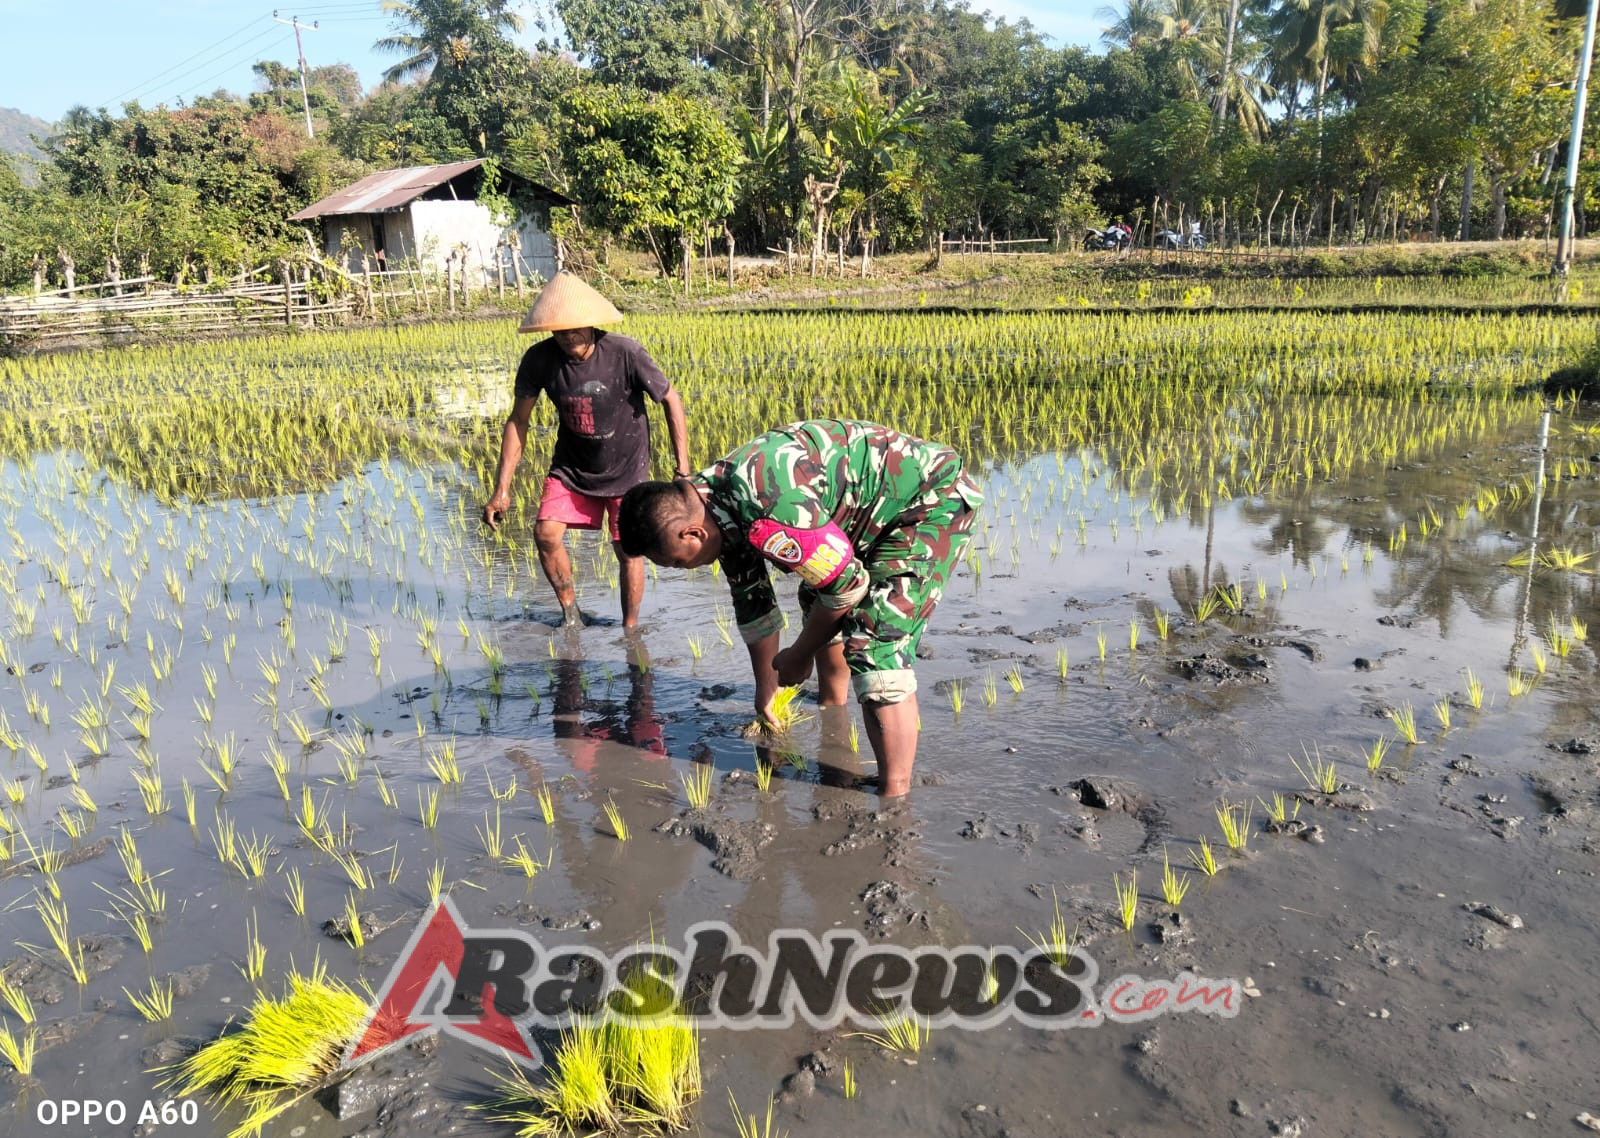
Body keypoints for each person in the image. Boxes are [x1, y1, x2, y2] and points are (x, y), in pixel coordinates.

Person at [618, 419, 983, 798]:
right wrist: (767, 689)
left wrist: (799, 655)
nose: (685, 569)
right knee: (816, 601)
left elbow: (848, 586)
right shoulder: (709, 505)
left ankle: (894, 800)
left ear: (691, 534)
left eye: (677, 562)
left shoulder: (767, 509)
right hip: (863, 517)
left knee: (876, 640)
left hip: (927, 500)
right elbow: (752, 600)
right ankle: (833, 711)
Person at [483, 271, 690, 628]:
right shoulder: (539, 360)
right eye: (559, 330)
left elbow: (670, 399)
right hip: (572, 467)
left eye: (575, 328)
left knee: (627, 548)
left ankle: (630, 629)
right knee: (545, 533)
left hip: (627, 467)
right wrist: (502, 489)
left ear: (592, 325)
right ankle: (571, 615)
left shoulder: (625, 353)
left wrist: (682, 468)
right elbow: (518, 421)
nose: (568, 337)